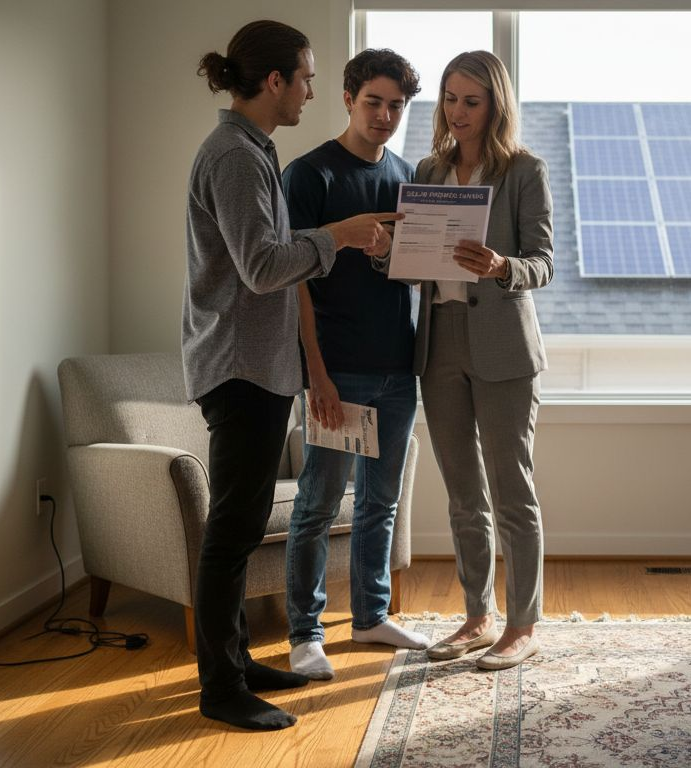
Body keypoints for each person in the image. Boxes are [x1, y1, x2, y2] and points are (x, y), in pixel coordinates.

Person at [183, 20, 401, 731]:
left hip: (258, 366)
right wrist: (339, 233)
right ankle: (220, 688)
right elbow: (264, 266)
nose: (312, 88)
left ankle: (239, 662)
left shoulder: (251, 149)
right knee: (232, 529)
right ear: (273, 81)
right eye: (306, 77)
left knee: (241, 528)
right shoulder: (237, 157)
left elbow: (266, 259)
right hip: (240, 367)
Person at [280, 49, 428, 681]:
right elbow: (294, 283)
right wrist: (316, 371)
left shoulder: (405, 176)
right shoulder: (309, 176)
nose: (386, 115)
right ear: (347, 97)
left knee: (380, 503)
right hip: (336, 367)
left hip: (399, 365)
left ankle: (369, 616)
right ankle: (304, 633)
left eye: (397, 105)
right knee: (317, 503)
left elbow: (409, 272)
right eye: (374, 101)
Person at [413, 51, 554, 670]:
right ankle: (478, 616)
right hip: (437, 341)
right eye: (450, 98)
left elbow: (543, 263)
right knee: (462, 494)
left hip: (502, 343)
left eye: (472, 100)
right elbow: (417, 262)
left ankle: (523, 625)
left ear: (494, 105)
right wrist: (390, 251)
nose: (458, 111)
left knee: (510, 490)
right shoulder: (427, 169)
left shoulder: (524, 170)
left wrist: (502, 267)